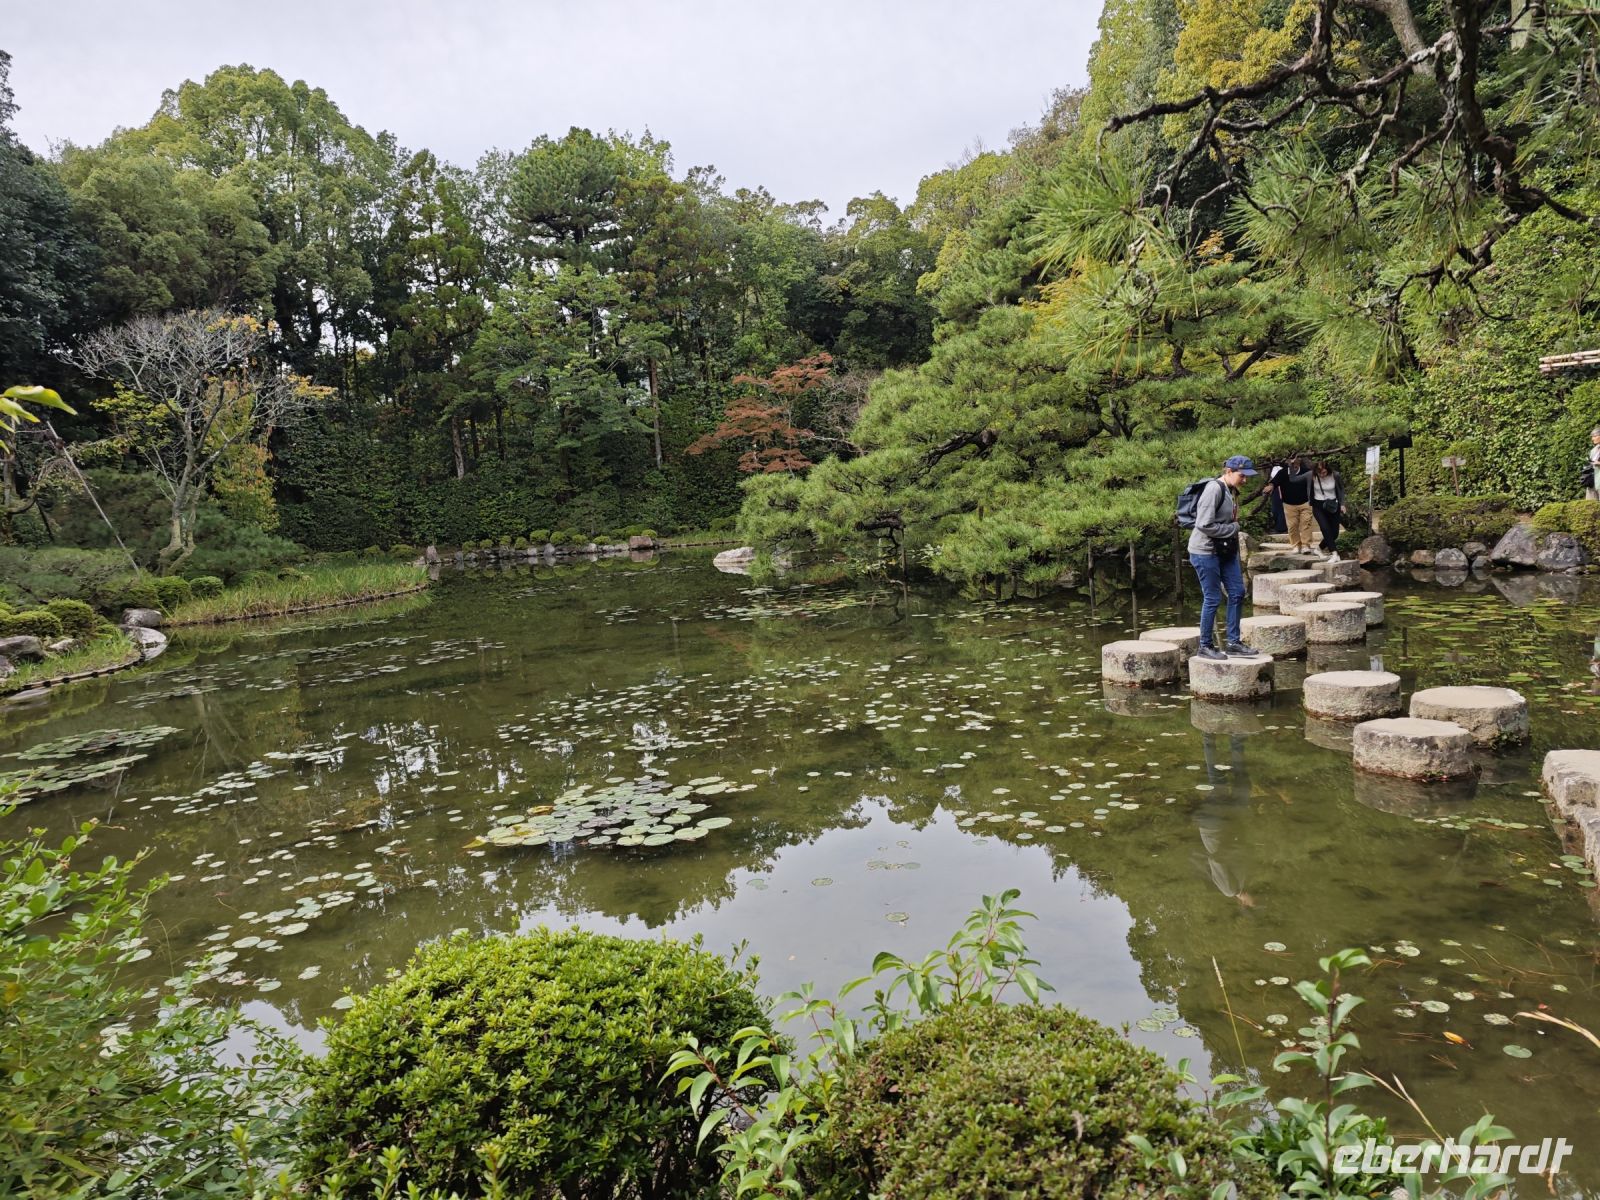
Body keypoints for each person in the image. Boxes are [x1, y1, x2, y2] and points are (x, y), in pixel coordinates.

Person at [1188, 455, 1256, 660]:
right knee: (1213, 598)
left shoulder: (1232, 490)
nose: (1245, 480)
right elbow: (1204, 524)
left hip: (1226, 550)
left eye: (1247, 477)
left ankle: (1234, 642)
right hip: (1205, 552)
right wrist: (1233, 528)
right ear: (1228, 472)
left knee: (1237, 592)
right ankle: (1205, 646)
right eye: (1242, 476)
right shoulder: (1213, 489)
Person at [1278, 456, 1316, 553]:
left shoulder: (1306, 471)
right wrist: (1270, 486)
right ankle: (1295, 545)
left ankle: (1306, 545)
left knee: (1306, 523)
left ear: (1299, 462)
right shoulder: (1282, 473)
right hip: (1288, 504)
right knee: (1292, 526)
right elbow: (1274, 482)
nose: (1294, 464)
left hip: (1305, 502)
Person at [1309, 460, 1347, 556]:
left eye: (1324, 472)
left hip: (1333, 505)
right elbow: (1293, 479)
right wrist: (1291, 464)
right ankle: (1334, 553)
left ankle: (1319, 549)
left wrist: (1342, 504)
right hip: (1318, 506)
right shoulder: (1312, 476)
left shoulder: (1335, 475)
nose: (1322, 475)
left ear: (1328, 469)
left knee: (1334, 533)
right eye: (1319, 472)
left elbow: (1341, 489)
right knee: (1325, 528)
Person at [1264, 463, 1288, 535]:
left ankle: (1281, 528)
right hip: (1274, 488)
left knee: (1280, 508)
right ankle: (1279, 527)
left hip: (1280, 487)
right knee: (1275, 509)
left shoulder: (1282, 468)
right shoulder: (1269, 467)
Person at [1586, 427, 1600, 502]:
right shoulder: (1593, 450)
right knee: (1591, 505)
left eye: (1594, 436)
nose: (1592, 439)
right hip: (1592, 481)